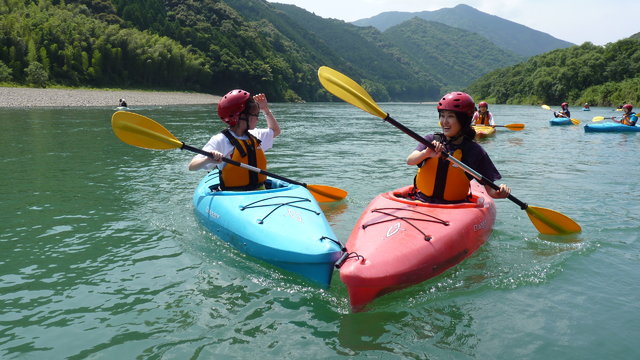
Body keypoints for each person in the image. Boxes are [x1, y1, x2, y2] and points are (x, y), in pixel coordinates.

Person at [406, 92, 510, 204]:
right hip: (422, 200)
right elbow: (410, 161)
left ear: (463, 121)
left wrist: (499, 193)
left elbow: (490, 190)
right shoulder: (431, 140)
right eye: (442, 115)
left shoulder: (474, 151)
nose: (444, 121)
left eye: (450, 116)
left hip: (455, 207)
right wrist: (426, 154)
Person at [188, 89, 281, 191]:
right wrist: (208, 159)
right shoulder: (221, 140)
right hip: (234, 197)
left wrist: (265, 109)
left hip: (260, 193)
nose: (258, 119)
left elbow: (275, 131)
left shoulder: (255, 136)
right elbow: (192, 166)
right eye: (256, 115)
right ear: (242, 117)